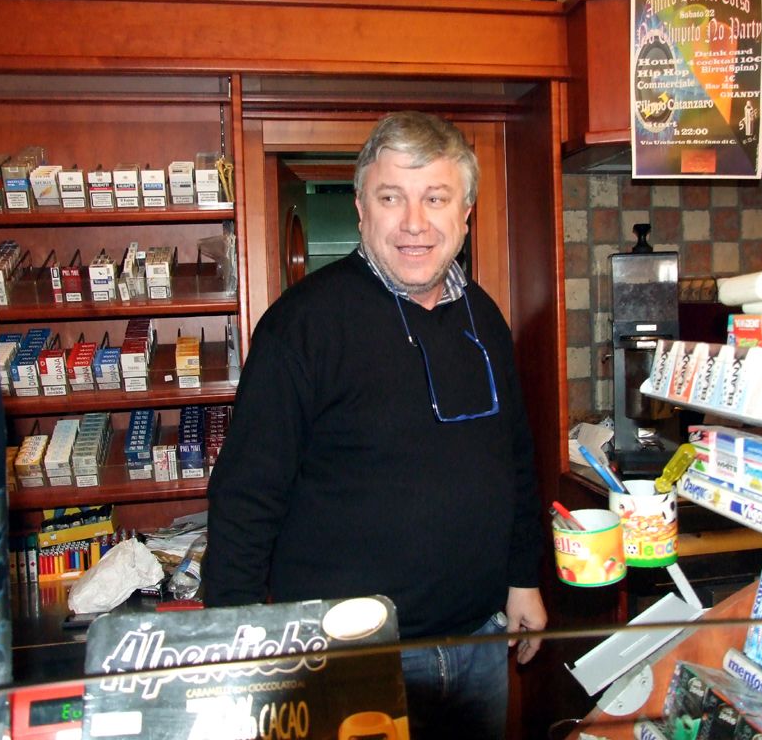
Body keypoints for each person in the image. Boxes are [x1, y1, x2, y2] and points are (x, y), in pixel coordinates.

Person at [204, 110, 547, 740]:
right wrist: (237, 648)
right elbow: (245, 499)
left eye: (435, 198)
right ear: (362, 210)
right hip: (349, 661)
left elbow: (515, 459)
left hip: (477, 643)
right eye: (392, 198)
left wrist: (523, 578)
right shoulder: (301, 326)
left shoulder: (485, 319)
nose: (415, 222)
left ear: (465, 215)